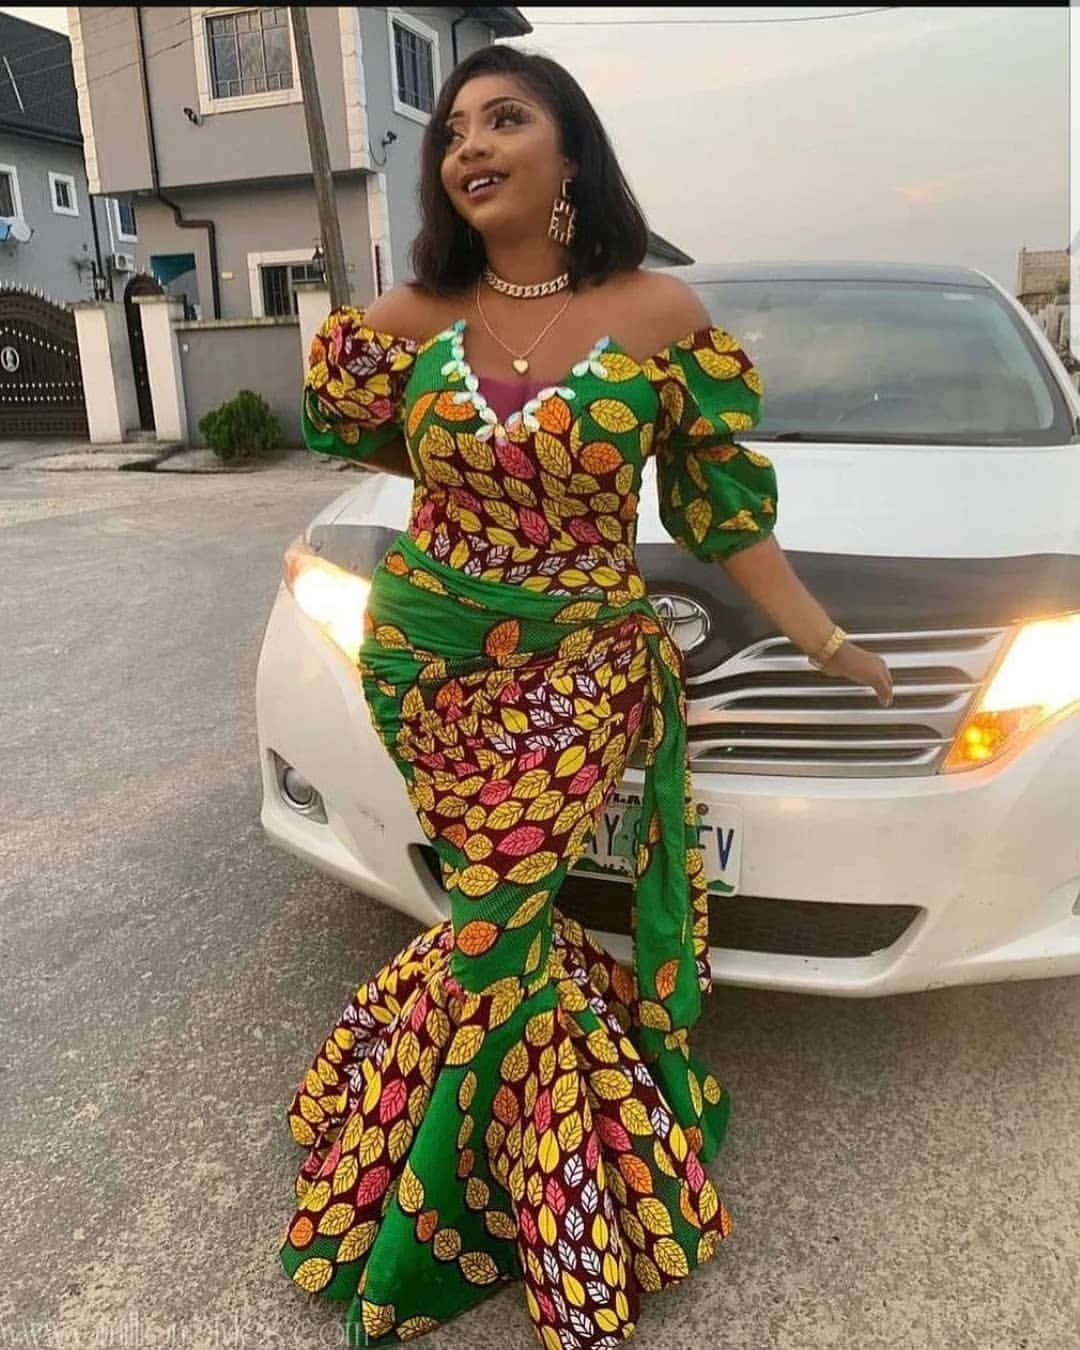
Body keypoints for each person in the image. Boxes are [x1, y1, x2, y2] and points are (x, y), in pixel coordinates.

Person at [280, 44, 893, 1350]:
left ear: (571, 155)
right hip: (426, 662)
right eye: (453, 130)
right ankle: (540, 1184)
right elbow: (349, 425)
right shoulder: (416, 315)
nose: (469, 144)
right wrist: (480, 485)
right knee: (498, 926)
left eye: (504, 118)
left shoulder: (658, 314)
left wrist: (826, 639)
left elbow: (725, 517)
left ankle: (468, 1223)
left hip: (579, 673)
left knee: (496, 927)